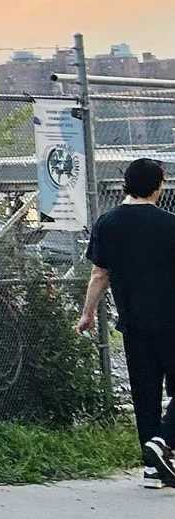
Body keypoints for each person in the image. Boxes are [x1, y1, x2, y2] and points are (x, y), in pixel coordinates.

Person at [77, 157, 175, 485]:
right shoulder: (170, 225)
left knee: (144, 394)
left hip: (133, 323)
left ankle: (150, 468)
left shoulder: (107, 223)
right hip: (171, 321)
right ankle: (163, 442)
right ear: (158, 185)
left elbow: (99, 274)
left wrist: (87, 313)